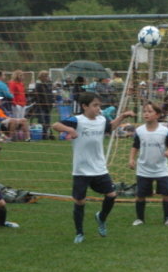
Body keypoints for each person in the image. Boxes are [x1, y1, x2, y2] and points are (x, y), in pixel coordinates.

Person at [52, 92, 135, 244]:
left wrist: (122, 116)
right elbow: (55, 125)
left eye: (99, 105)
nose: (98, 108)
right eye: (95, 105)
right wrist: (70, 130)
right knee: (80, 201)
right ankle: (79, 233)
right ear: (84, 106)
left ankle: (101, 217)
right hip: (81, 170)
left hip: (99, 168)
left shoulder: (102, 119)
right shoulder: (77, 120)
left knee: (111, 195)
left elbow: (111, 127)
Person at [128, 102, 168, 227]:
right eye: (145, 111)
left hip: (161, 169)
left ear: (158, 115)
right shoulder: (139, 130)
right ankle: (140, 219)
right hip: (143, 169)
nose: (146, 114)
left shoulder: (164, 131)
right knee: (140, 196)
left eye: (150, 111)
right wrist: (131, 159)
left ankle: (167, 219)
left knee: (167, 195)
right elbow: (135, 146)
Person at [33, 70, 55, 139]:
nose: (47, 77)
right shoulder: (38, 85)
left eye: (47, 76)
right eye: (46, 76)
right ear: (41, 77)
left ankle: (47, 134)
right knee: (43, 121)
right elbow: (38, 96)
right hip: (42, 106)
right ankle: (43, 135)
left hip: (48, 106)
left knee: (47, 121)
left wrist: (51, 102)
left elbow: (49, 94)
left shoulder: (47, 85)